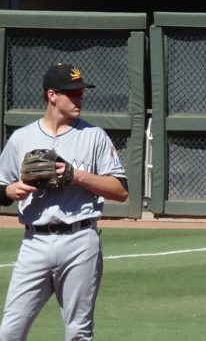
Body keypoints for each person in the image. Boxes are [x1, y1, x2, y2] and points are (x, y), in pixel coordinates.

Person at [0, 63, 128, 340]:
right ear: (52, 95)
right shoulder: (21, 138)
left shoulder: (94, 136)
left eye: (82, 92)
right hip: (34, 243)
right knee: (10, 331)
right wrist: (9, 191)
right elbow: (1, 187)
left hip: (80, 240)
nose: (80, 98)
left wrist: (76, 176)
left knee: (78, 332)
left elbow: (120, 190)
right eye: (74, 93)